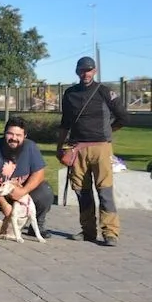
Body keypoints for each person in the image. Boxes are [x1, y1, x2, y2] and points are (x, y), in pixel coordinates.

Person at [57, 56, 130, 246]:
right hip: (77, 149)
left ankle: (110, 233)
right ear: (77, 71)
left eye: (88, 70)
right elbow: (65, 123)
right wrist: (59, 147)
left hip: (101, 148)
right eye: (82, 70)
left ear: (95, 71)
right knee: (82, 192)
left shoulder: (105, 92)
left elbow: (123, 117)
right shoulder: (70, 94)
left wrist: (107, 131)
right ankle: (88, 231)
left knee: (105, 191)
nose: (85, 74)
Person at [0, 117, 54, 239]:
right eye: (10, 134)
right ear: (4, 133)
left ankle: (38, 225)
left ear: (25, 136)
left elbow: (39, 174)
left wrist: (22, 192)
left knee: (46, 191)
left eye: (18, 135)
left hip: (22, 195)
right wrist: (4, 204)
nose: (14, 138)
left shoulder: (31, 147)